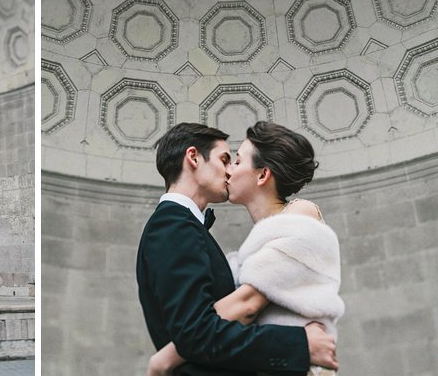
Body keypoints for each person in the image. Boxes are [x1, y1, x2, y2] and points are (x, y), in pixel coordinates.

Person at [136, 122, 338, 375]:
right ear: (193, 158)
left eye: (236, 161)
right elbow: (199, 327)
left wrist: (164, 359)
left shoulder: (300, 213)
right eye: (225, 159)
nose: (229, 170)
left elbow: (246, 305)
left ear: (262, 175)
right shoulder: (173, 226)